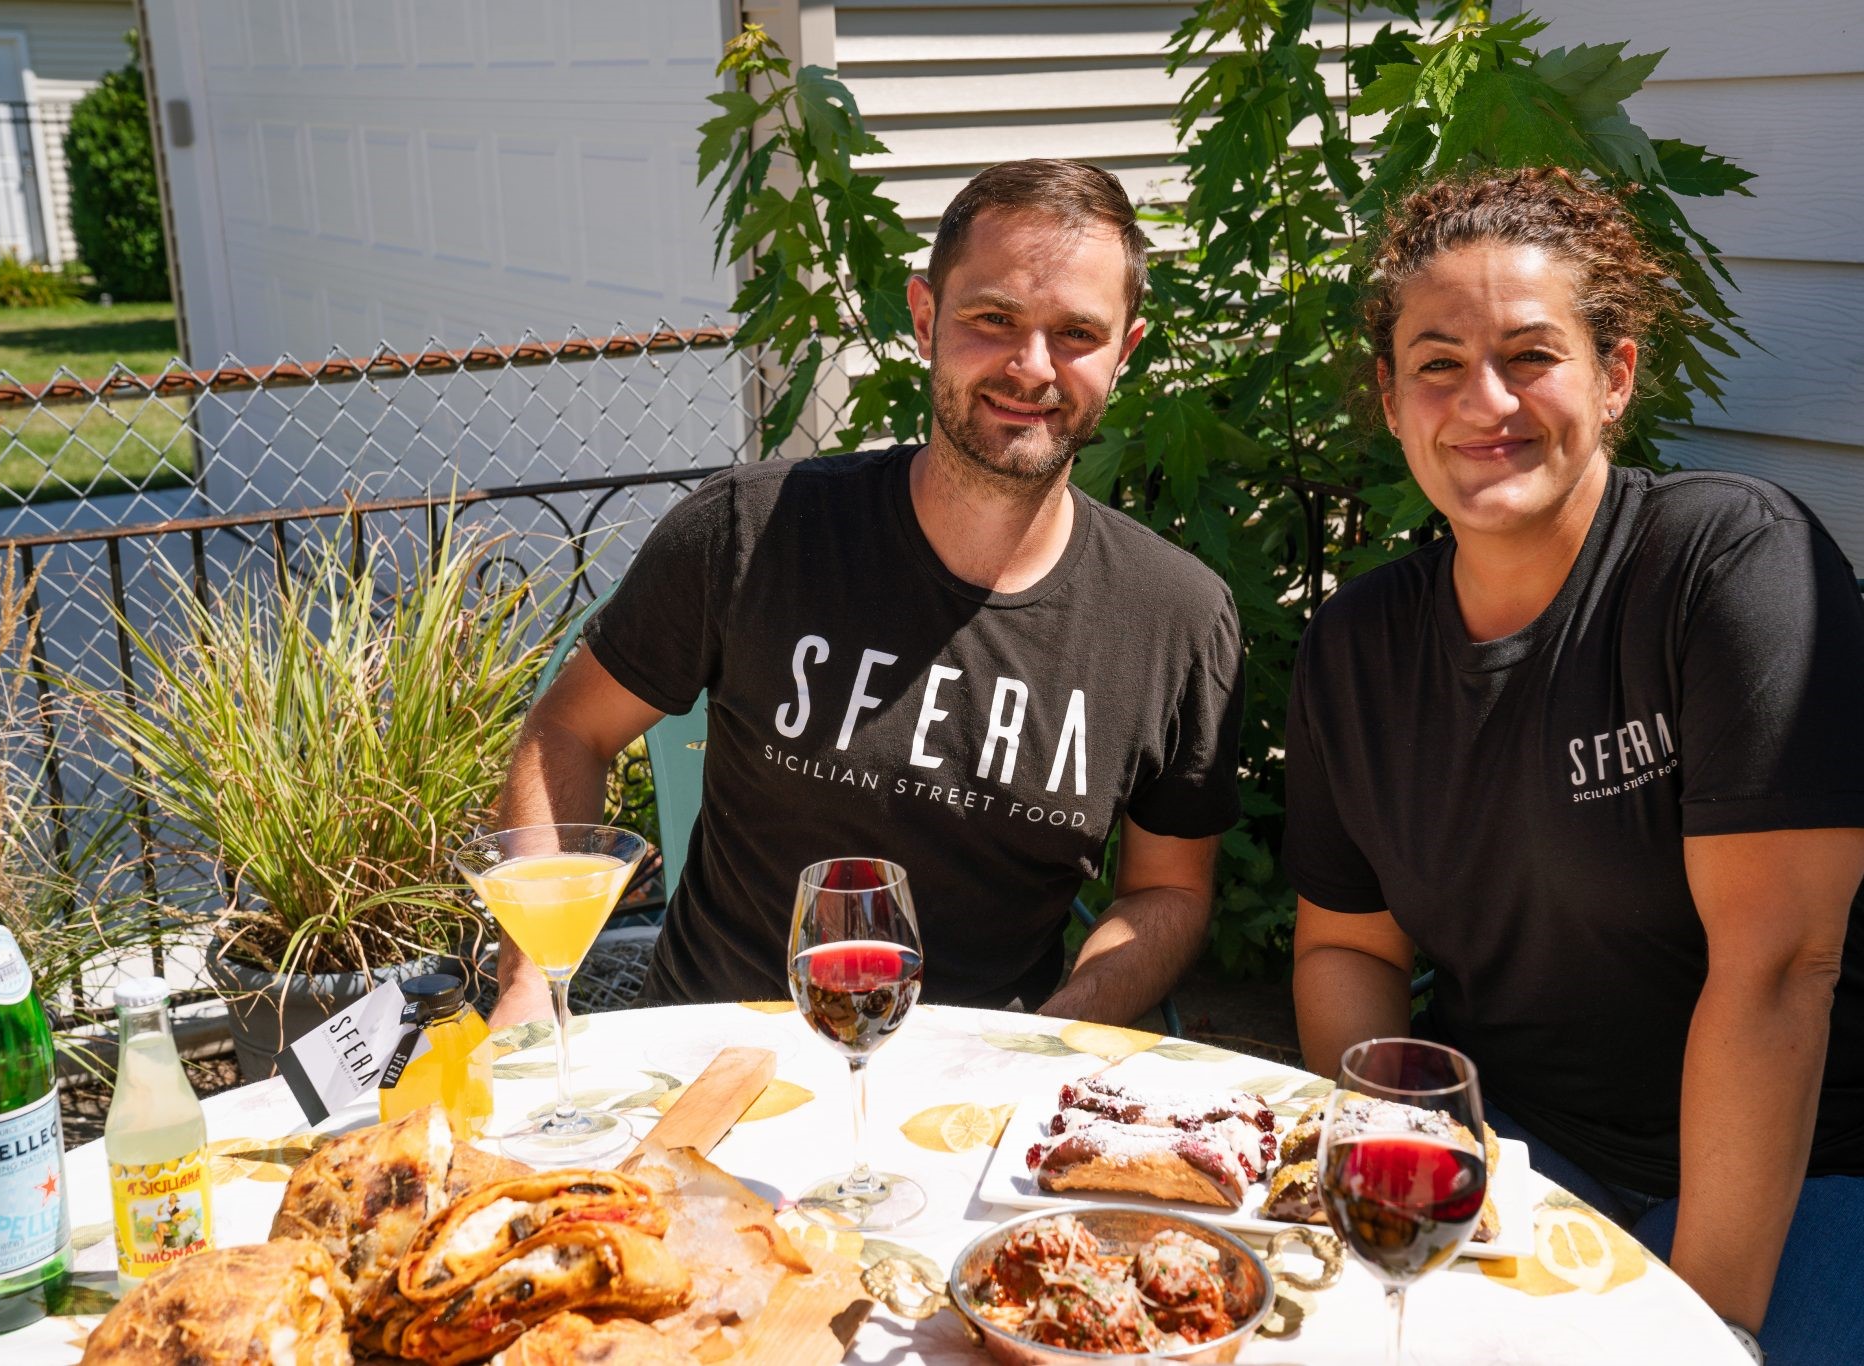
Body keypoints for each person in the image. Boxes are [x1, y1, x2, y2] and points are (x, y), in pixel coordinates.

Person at [1284, 166, 1864, 1365]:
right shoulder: (1356, 646)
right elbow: (1348, 947)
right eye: (1437, 362)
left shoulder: (1726, 563)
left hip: (1812, 1162)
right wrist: (1399, 1157)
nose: (1483, 400)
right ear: (1390, 400)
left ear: (1615, 376)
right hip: (1527, 1157)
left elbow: (1777, 969)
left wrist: (1703, 1328)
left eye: (1530, 355)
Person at [491, 159, 1245, 1031]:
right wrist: (529, 983)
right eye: (994, 318)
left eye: (1076, 333)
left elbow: (1167, 891)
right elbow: (568, 731)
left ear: (1125, 352)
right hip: (712, 1058)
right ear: (925, 319)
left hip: (973, 1089)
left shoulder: (1175, 620)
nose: (1032, 367)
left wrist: (1055, 1034)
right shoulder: (755, 531)